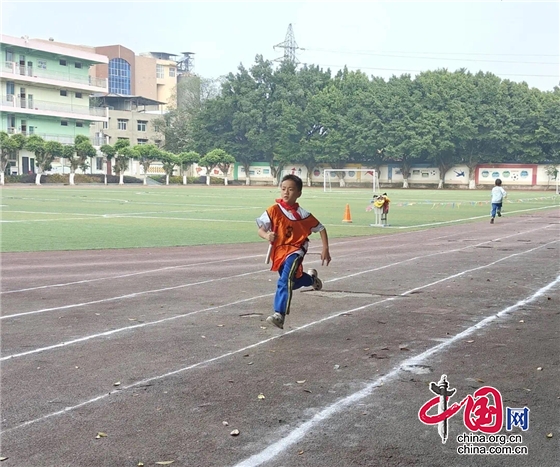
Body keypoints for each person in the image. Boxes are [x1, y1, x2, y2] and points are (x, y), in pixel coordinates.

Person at [256, 174, 331, 329]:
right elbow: (261, 229)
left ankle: (279, 314)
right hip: (280, 251)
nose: (286, 192)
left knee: (284, 281)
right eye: (283, 189)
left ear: (299, 193)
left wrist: (325, 249)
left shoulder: (304, 215)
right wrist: (266, 235)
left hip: (296, 249)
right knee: (292, 282)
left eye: (290, 189)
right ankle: (311, 279)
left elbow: (321, 228)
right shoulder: (274, 210)